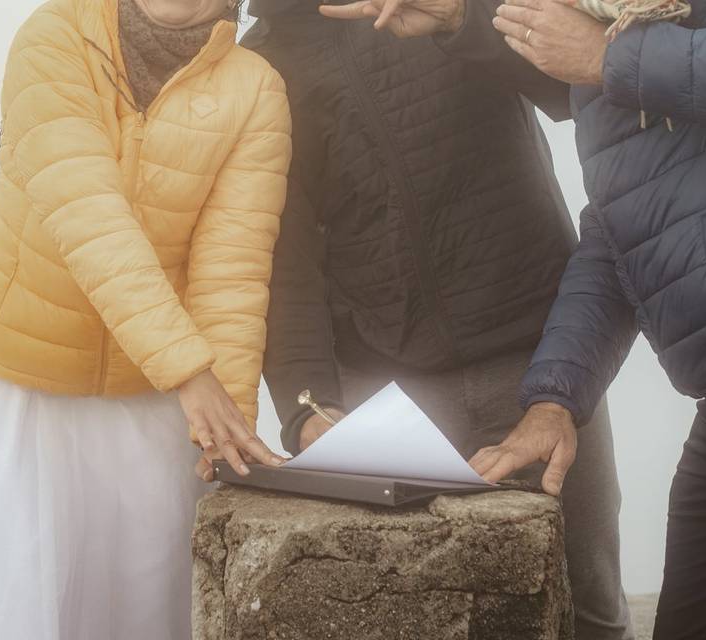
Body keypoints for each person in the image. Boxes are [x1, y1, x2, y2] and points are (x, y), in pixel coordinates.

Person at [352, 0, 706, 636]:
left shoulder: (610, 47)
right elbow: (619, 242)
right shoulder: (605, 44)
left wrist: (606, 56)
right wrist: (554, 401)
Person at [0, 0, 290, 638]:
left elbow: (233, 270)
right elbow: (86, 212)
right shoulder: (52, 35)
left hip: (143, 400)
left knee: (136, 614)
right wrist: (190, 374)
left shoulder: (256, 88)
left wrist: (229, 435)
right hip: (16, 385)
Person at [241, 2, 633, 638]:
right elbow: (286, 260)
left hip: (536, 362)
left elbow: (575, 89)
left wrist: (462, 19)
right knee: (414, 613)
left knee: (586, 603)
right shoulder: (261, 64)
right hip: (386, 391)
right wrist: (306, 407)